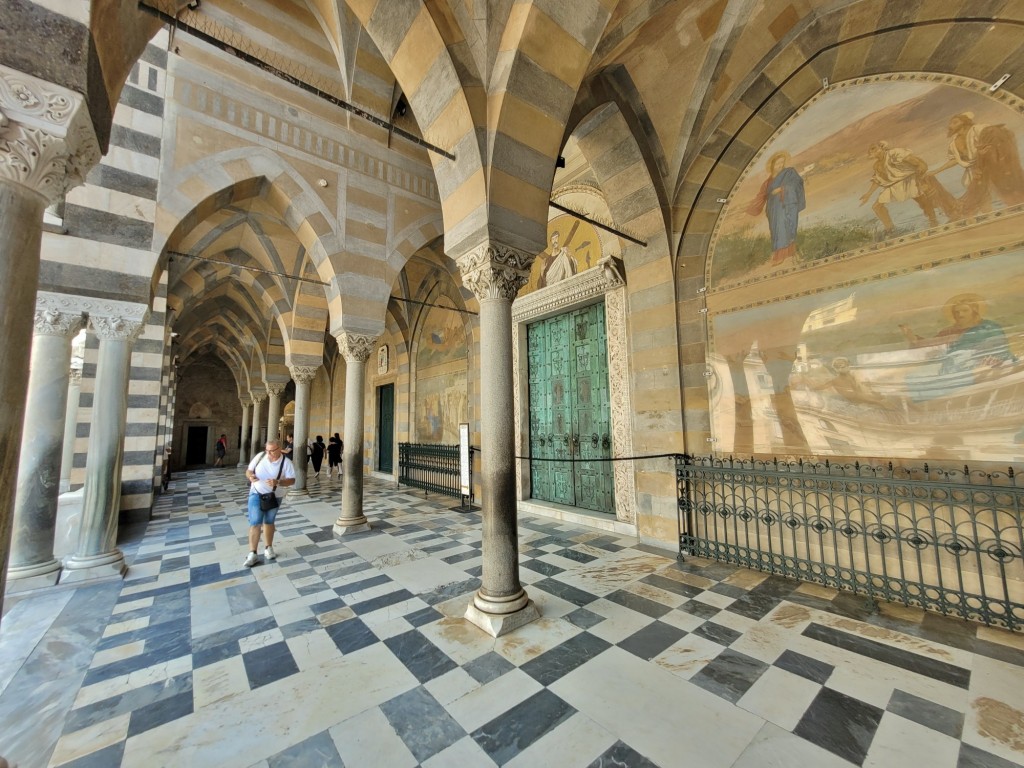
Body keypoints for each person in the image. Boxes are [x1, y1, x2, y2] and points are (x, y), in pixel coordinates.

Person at [932, 112, 1024, 217]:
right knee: (981, 200)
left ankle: (1016, 211)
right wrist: (936, 171)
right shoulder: (953, 144)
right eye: (950, 123)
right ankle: (990, 217)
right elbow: (954, 160)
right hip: (972, 173)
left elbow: (995, 135)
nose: (950, 126)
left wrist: (986, 151)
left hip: (989, 167)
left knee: (1004, 191)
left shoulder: (978, 129)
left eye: (954, 122)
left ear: (964, 122)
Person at [859, 141, 941, 234]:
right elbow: (877, 180)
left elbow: (915, 161)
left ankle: (933, 221)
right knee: (876, 207)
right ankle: (890, 229)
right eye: (870, 150)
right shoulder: (877, 165)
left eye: (874, 148)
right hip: (894, 185)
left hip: (908, 179)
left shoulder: (894, 153)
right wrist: (868, 194)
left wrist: (921, 174)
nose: (871, 151)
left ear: (882, 147)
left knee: (922, 201)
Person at [746, 151, 805, 266]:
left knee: (785, 227)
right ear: (772, 165)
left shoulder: (789, 173)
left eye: (782, 162)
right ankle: (779, 255)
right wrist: (747, 211)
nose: (780, 165)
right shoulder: (767, 183)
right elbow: (760, 197)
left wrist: (782, 189)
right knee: (776, 231)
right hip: (773, 210)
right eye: (778, 163)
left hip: (786, 206)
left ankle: (788, 254)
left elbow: (797, 182)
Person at [243, 440, 295, 567]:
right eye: (267, 450)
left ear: (279, 449)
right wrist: (250, 477)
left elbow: (292, 480)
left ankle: (268, 547)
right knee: (255, 522)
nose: (269, 453)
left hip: (274, 496)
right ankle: (253, 553)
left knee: (269, 521)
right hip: (256, 493)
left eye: (272, 450)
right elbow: (249, 470)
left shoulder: (286, 462)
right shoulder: (260, 456)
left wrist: (278, 482)